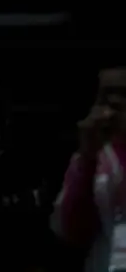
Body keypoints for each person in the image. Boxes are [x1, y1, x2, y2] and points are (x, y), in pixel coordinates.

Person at [51, 66, 126, 272]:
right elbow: (73, 232)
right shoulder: (94, 156)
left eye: (123, 93)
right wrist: (87, 158)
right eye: (107, 94)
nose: (114, 102)